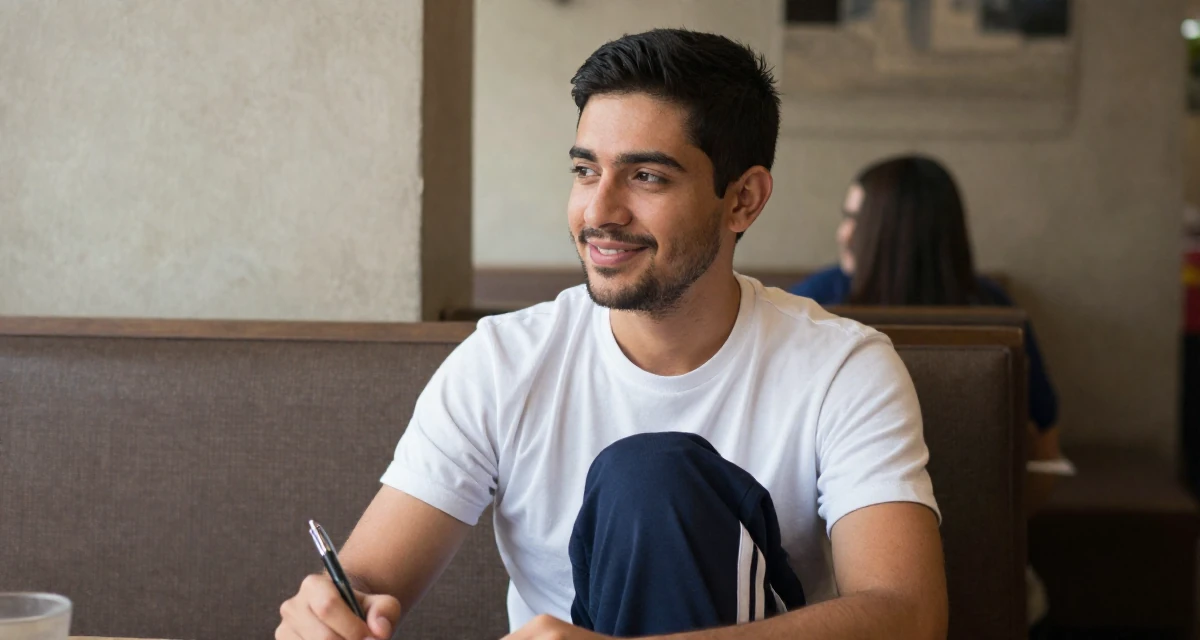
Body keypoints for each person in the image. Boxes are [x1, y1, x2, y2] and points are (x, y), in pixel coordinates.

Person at [277, 30, 947, 640]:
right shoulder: (504, 362)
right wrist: (332, 613)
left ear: (742, 199)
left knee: (651, 476)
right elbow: (369, 583)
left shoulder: (840, 367)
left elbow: (908, 615)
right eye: (585, 170)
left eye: (647, 176)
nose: (598, 211)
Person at [788, 155, 1063, 629]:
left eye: (855, 218)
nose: (843, 233)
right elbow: (1044, 464)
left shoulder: (819, 308)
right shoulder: (809, 310)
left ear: (888, 228)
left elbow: (1043, 454)